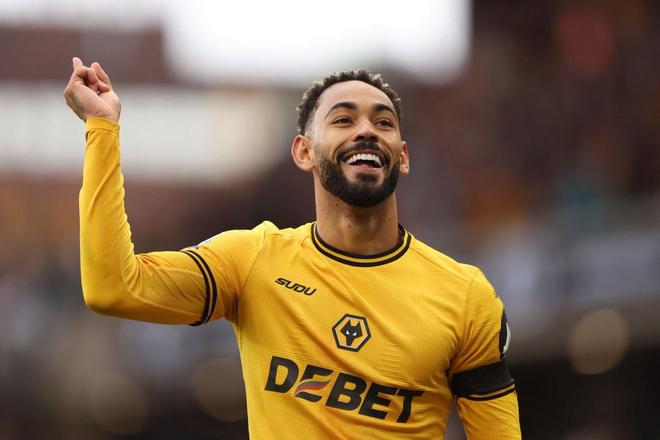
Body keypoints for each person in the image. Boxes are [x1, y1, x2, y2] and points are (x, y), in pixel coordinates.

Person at [64, 57, 521, 439]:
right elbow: (113, 287)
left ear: (401, 156)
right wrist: (102, 129)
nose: (367, 131)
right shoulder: (252, 261)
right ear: (304, 152)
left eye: (383, 122)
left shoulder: (466, 295)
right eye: (343, 120)